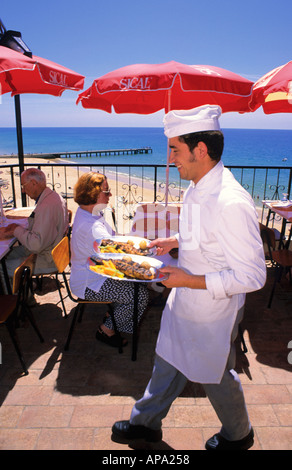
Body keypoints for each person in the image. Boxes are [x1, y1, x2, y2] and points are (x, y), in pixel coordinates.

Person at [112, 105, 266, 450]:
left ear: (200, 150)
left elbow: (253, 276)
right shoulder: (197, 187)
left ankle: (239, 434)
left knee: (213, 373)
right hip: (185, 297)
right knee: (168, 358)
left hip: (212, 310)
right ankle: (145, 424)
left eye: (175, 149)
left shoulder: (231, 202)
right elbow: (206, 236)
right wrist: (173, 241)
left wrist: (188, 280)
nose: (169, 159)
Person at [70, 171, 149, 348]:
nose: (110, 195)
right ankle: (107, 329)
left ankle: (117, 316)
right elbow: (115, 254)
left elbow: (111, 244)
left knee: (140, 283)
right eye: (106, 191)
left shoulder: (88, 213)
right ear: (93, 194)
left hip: (96, 270)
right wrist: (145, 250)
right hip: (90, 282)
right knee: (139, 295)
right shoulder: (91, 226)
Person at [0, 168, 68, 290]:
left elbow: (35, 245)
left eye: (23, 186)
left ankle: (17, 304)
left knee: (2, 267)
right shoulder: (53, 197)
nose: (23, 190)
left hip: (48, 258)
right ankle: (27, 294)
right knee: (6, 255)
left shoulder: (46, 206)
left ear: (33, 183)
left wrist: (15, 229)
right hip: (53, 252)